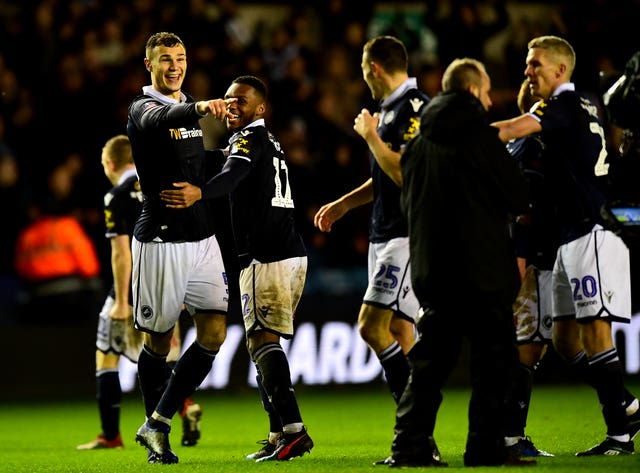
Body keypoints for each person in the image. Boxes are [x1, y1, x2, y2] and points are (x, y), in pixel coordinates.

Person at [492, 35, 640, 457]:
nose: (528, 71)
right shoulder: (591, 101)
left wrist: (457, 130)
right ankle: (626, 405)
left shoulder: (562, 106)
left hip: (589, 229)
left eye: (535, 64)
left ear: (560, 70)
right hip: (569, 237)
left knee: (595, 330)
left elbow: (511, 128)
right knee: (565, 341)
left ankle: (619, 434)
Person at [380, 57, 532, 467]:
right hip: (484, 271)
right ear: (470, 91)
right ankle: (485, 447)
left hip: (433, 270)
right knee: (493, 365)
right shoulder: (481, 138)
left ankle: (408, 447)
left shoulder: (417, 143)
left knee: (428, 367)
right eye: (484, 92)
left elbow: (407, 202)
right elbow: (518, 196)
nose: (487, 99)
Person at [159, 74, 313, 462]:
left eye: (241, 101)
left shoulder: (248, 139)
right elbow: (229, 166)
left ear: (260, 109)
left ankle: (293, 430)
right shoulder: (268, 141)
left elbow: (231, 175)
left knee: (262, 341)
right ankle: (279, 431)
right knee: (261, 340)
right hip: (286, 252)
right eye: (228, 99)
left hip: (268, 255)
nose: (231, 106)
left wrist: (199, 192)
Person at [127, 31, 234, 464]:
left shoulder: (185, 104)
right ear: (149, 66)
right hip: (162, 239)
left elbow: (196, 162)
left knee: (214, 333)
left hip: (203, 238)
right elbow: (160, 122)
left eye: (181, 57)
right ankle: (158, 440)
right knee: (158, 341)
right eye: (166, 59)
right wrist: (202, 107)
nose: (175, 66)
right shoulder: (145, 107)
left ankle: (159, 420)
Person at [313, 35, 429, 404]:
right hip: (384, 233)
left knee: (370, 327)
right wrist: (346, 204)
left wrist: (370, 137)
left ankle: (416, 423)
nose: (365, 79)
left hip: (404, 235)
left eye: (364, 72)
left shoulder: (414, 108)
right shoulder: (392, 109)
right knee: (399, 330)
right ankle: (418, 437)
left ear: (374, 69)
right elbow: (383, 177)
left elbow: (404, 174)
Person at [76, 135, 203, 451]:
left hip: (133, 288)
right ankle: (185, 405)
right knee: (158, 356)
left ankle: (111, 435)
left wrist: (121, 301)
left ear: (109, 165)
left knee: (107, 355)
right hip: (170, 281)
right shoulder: (161, 186)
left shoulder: (115, 197)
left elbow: (121, 252)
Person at [502, 79, 557, 458]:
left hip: (512, 252)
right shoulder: (534, 143)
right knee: (529, 346)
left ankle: (506, 433)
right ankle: (511, 436)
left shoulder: (512, 145)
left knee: (527, 344)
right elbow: (523, 207)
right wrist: (520, 257)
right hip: (531, 257)